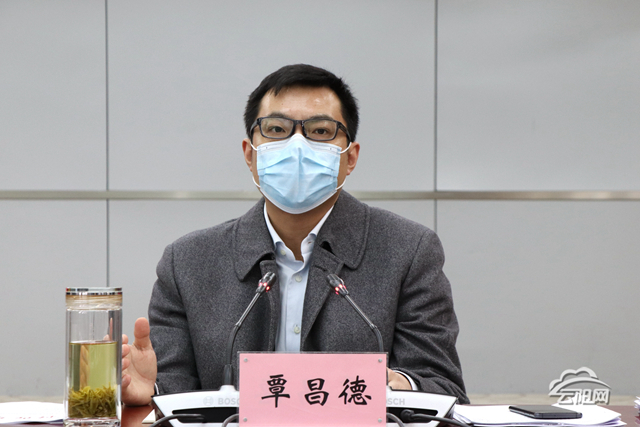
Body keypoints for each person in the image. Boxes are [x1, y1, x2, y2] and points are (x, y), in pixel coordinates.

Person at [121, 64, 469, 406]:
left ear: (350, 158)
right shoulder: (188, 263)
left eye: (320, 131)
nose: (297, 146)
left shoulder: (408, 251)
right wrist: (151, 392)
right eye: (276, 129)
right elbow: (175, 392)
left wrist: (398, 386)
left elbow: (443, 387)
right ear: (250, 154)